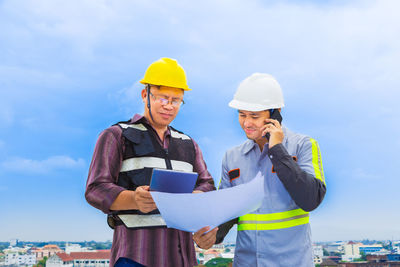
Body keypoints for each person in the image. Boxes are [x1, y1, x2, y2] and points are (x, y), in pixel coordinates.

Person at [85, 58, 217, 267]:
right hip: (135, 257)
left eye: (176, 100)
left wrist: (198, 198)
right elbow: (95, 189)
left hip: (182, 259)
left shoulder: (188, 144)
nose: (169, 106)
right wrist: (134, 199)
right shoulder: (117, 136)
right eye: (163, 98)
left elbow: (207, 184)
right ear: (145, 95)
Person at [216, 73, 326, 266]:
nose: (247, 123)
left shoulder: (304, 145)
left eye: (254, 116)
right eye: (242, 115)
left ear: (276, 113)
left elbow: (311, 198)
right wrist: (213, 235)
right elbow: (226, 210)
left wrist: (277, 150)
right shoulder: (231, 157)